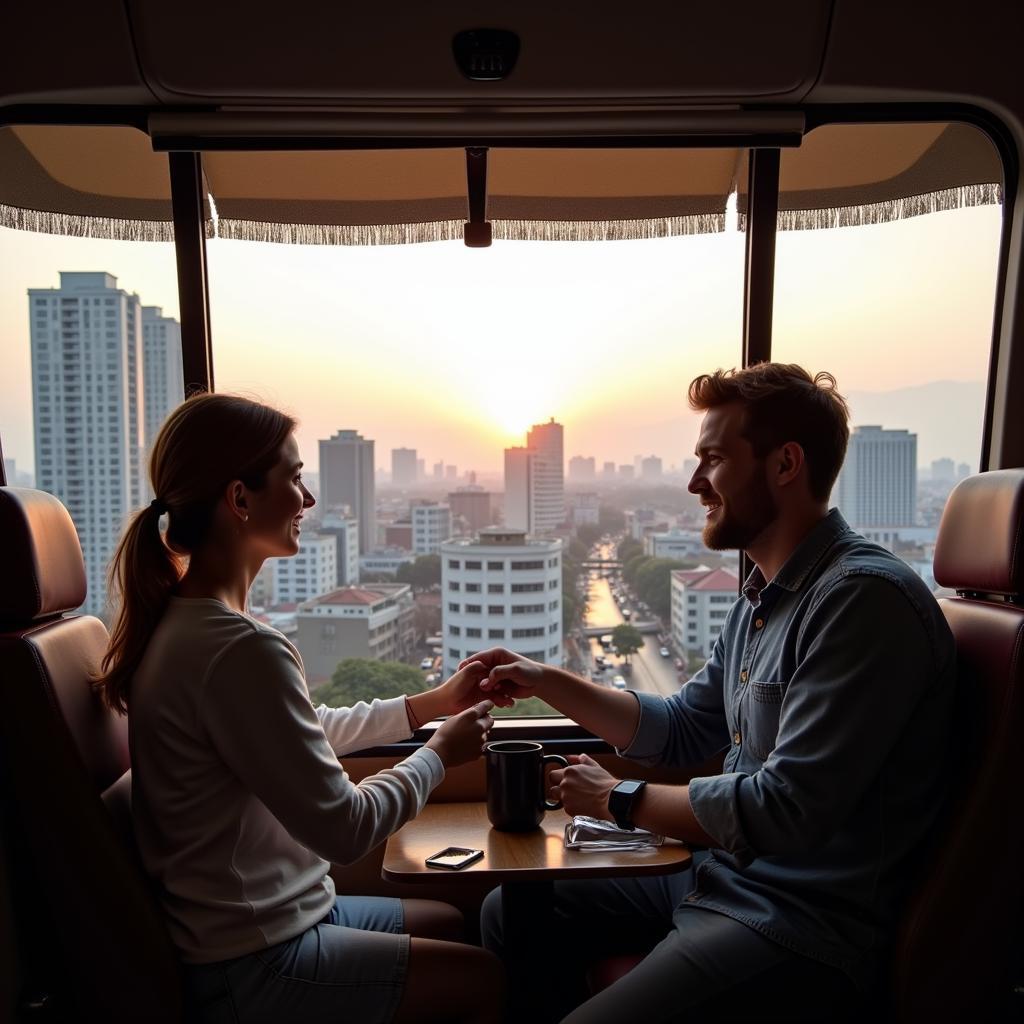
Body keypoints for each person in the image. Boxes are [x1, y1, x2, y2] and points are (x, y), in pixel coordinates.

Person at [469, 363, 956, 1023]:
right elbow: (681, 730)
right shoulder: (761, 597)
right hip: (724, 876)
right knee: (514, 909)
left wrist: (618, 798)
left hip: (800, 924)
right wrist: (544, 681)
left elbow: (785, 809)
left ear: (785, 464)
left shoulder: (862, 603)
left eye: (714, 459)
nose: (695, 483)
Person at [95, 393, 504, 1024]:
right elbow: (344, 828)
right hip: (253, 961)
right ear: (239, 499)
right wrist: (439, 755)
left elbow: (298, 736)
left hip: (281, 918)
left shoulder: (193, 628)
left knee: (453, 920)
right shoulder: (237, 649)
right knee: (484, 980)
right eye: (294, 478)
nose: (308, 501)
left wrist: (429, 705)